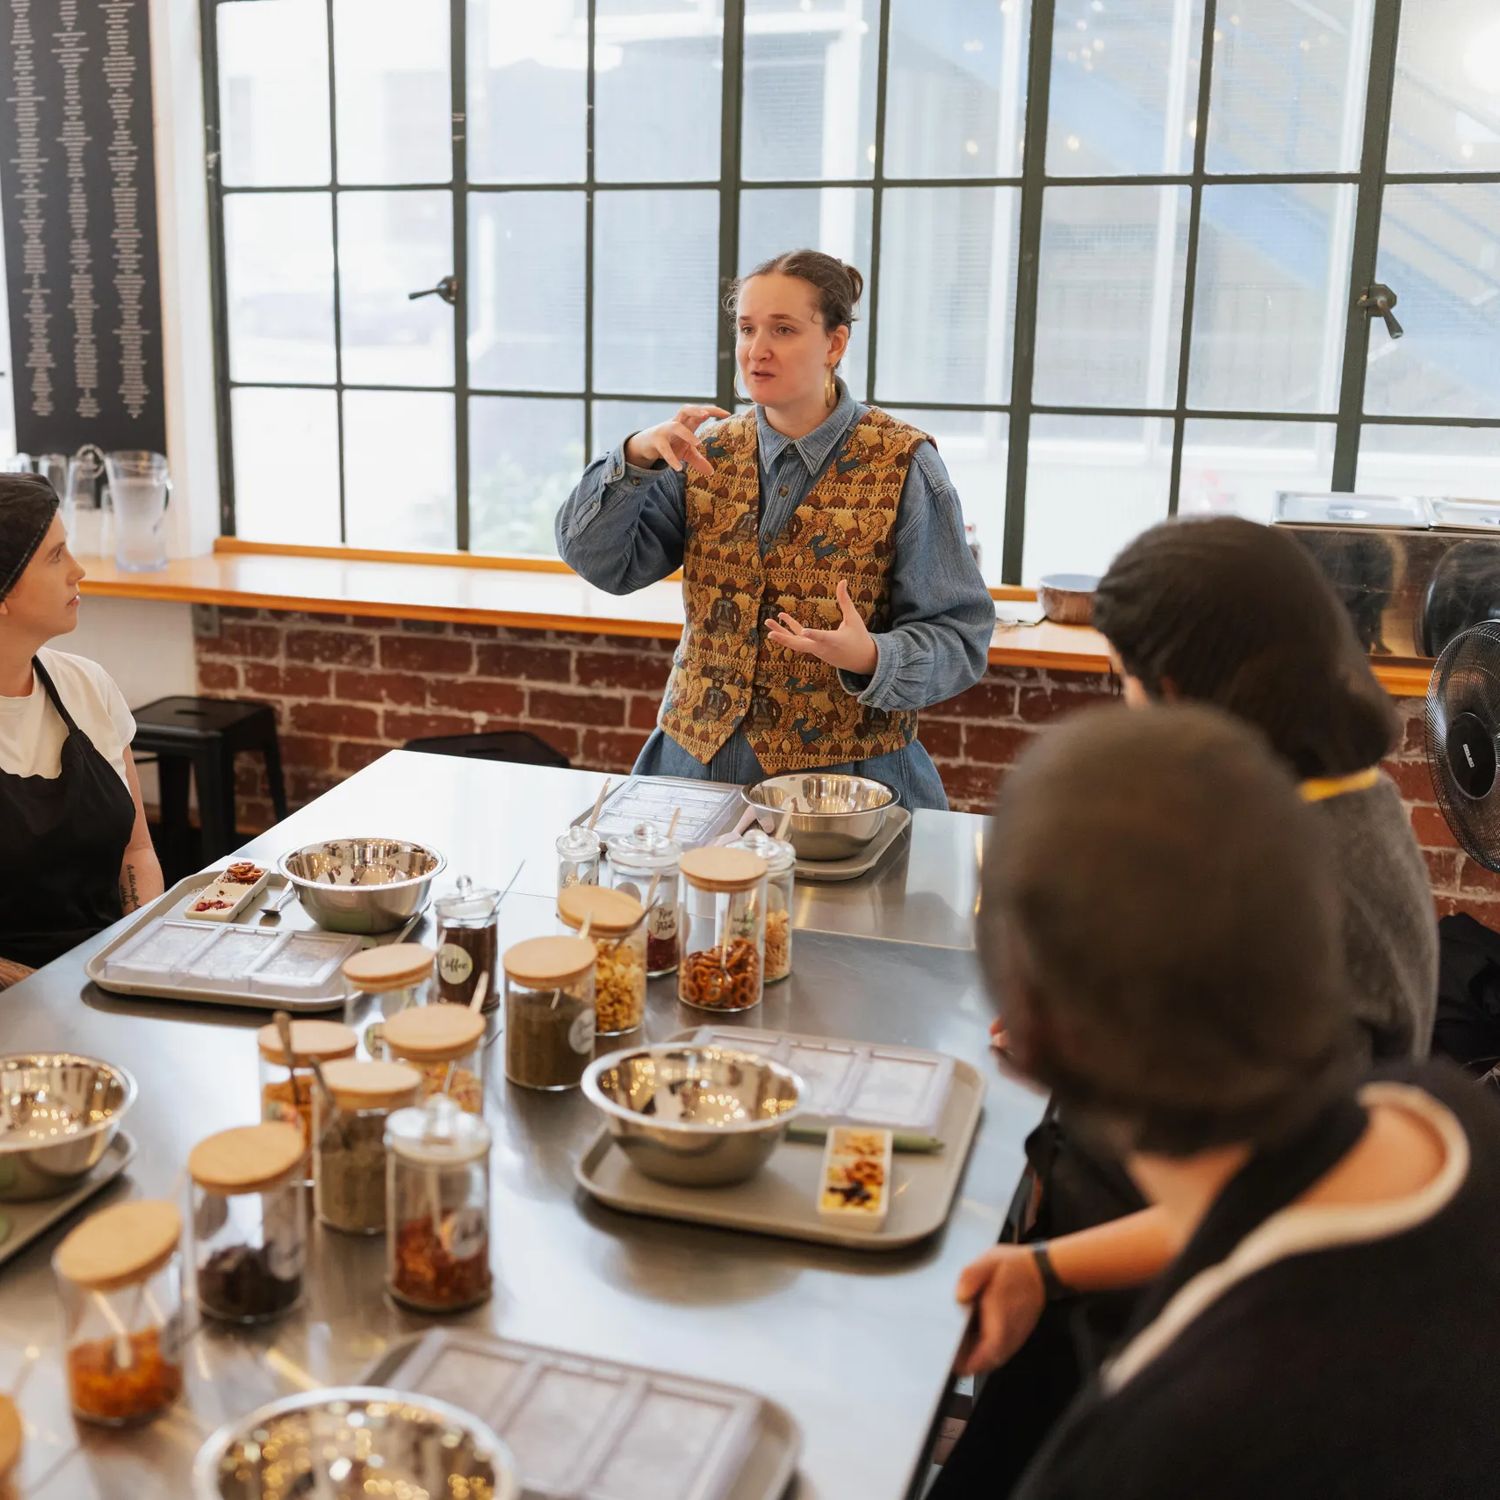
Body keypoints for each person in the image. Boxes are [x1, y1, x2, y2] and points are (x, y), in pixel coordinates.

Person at [935, 514, 1439, 1495]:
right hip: (1094, 1260)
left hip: (1161, 1298)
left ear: (1181, 690)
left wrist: (1045, 1271)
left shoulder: (1319, 893)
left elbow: (1275, 1203)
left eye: (1125, 681)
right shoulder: (1317, 793)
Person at [973, 705, 1500, 1498]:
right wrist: (1041, 1269)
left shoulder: (1147, 1445)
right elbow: (1254, 1206)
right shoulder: (1441, 1114)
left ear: (1039, 1034)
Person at [555, 249, 994, 810]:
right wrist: (638, 456)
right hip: (694, 773)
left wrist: (872, 657)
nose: (756, 350)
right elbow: (602, 564)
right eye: (747, 328)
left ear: (834, 344)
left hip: (846, 792)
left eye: (783, 330)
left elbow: (961, 637)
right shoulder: (700, 452)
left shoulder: (904, 464)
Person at [0, 475, 163, 986]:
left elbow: (136, 851)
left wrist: (144, 950)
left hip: (106, 977)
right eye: (55, 556)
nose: (78, 571)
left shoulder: (87, 685)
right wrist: (44, 990)